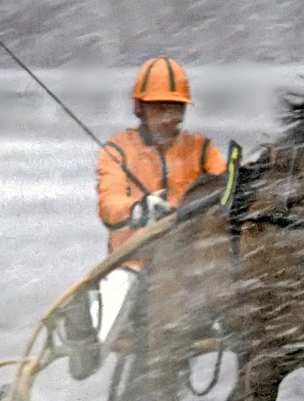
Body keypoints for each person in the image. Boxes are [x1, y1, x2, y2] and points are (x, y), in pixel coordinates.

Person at [64, 56, 227, 381]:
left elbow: (226, 184)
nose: (171, 119)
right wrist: (137, 208)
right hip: (132, 264)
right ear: (139, 108)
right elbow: (109, 204)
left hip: (188, 262)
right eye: (160, 109)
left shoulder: (201, 148)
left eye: (176, 109)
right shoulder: (117, 151)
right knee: (120, 291)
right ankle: (86, 329)